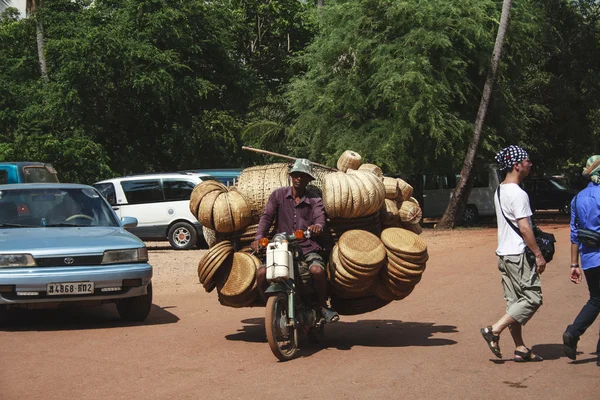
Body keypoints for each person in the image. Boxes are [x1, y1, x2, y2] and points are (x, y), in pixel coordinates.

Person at [251, 158, 339, 323]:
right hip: (280, 247)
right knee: (261, 273)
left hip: (308, 247)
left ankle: (322, 306)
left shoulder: (314, 199)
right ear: (291, 176)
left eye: (303, 176)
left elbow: (320, 219)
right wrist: (259, 237)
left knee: (317, 271)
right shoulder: (278, 195)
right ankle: (271, 308)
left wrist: (317, 227)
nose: (299, 178)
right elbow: (266, 217)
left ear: (308, 180)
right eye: (296, 175)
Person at [480, 145, 546, 362]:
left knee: (514, 303)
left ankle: (520, 348)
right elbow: (525, 229)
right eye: (527, 161)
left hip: (504, 255)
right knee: (533, 298)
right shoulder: (518, 194)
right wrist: (538, 254)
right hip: (518, 255)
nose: (530, 164)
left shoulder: (500, 190)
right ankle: (494, 330)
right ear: (517, 165)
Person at [562, 155, 600, 367]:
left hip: (589, 259)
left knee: (596, 299)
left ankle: (574, 333)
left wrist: (574, 264)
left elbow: (574, 234)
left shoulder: (578, 198)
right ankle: (573, 332)